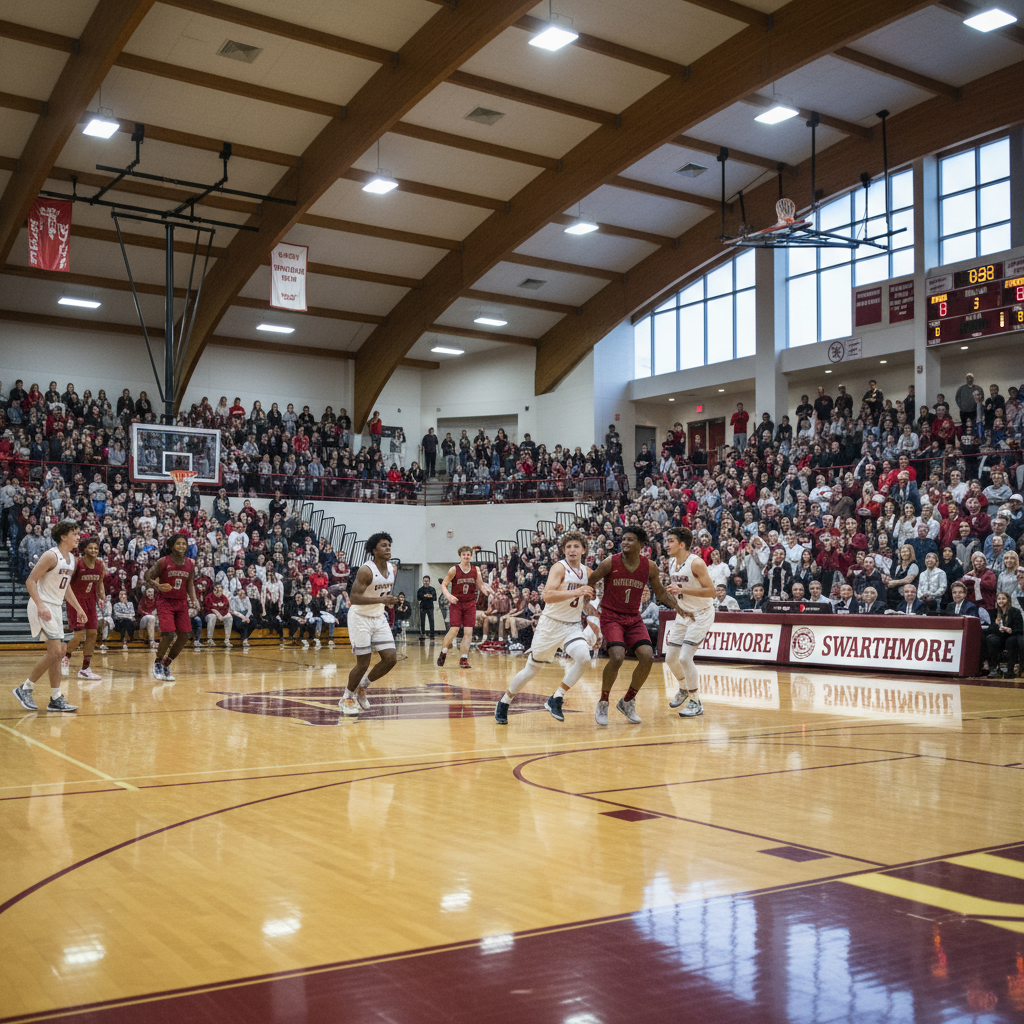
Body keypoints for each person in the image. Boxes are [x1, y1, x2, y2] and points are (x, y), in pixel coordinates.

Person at [586, 526, 684, 726]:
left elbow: (661, 593)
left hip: (633, 617)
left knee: (647, 656)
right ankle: (604, 701)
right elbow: (590, 580)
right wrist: (588, 601)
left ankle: (628, 700)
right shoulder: (610, 562)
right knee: (617, 656)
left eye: (630, 540)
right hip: (611, 616)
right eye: (624, 539)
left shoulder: (650, 566)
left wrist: (679, 608)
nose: (625, 542)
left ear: (641, 544)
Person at [495, 531, 594, 724]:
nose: (572, 550)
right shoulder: (559, 568)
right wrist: (576, 591)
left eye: (576, 546)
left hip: (572, 626)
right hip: (551, 625)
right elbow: (547, 596)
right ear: (563, 550)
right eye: (568, 547)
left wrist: (594, 628)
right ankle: (505, 700)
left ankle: (556, 697)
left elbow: (589, 603)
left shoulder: (588, 573)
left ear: (583, 549)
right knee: (531, 670)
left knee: (584, 658)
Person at [13, 520, 85, 713]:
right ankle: (25, 688)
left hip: (55, 606)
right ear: (63, 536)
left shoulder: (72, 559)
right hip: (42, 604)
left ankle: (55, 697)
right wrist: (40, 605)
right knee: (55, 652)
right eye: (75, 534)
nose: (78, 537)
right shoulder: (50, 556)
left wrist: (78, 608)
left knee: (59, 652)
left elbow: (66, 586)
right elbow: (31, 581)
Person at [339, 532, 399, 717]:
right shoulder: (366, 570)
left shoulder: (393, 568)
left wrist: (388, 601)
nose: (388, 548)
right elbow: (354, 598)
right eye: (383, 545)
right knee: (363, 663)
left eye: (389, 545)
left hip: (378, 617)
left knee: (390, 658)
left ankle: (362, 688)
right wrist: (381, 600)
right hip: (360, 618)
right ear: (374, 550)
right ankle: (347, 697)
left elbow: (381, 594)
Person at [662, 527, 716, 718]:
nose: (666, 545)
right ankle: (684, 688)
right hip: (684, 614)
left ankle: (695, 701)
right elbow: (679, 591)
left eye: (670, 541)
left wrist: (683, 592)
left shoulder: (697, 563)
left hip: (702, 613)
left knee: (685, 658)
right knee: (670, 658)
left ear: (682, 544)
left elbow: (712, 592)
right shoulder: (671, 562)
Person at [146, 534, 199, 680]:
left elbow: (189, 583)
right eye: (178, 544)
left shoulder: (190, 563)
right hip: (165, 601)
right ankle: (157, 663)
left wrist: (194, 600)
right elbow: (147, 576)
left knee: (184, 636)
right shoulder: (163, 561)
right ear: (172, 545)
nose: (182, 546)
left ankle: (166, 664)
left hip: (181, 602)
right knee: (168, 634)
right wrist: (158, 585)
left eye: (184, 544)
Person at [438, 546, 492, 669]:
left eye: (468, 554)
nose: (466, 557)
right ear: (460, 556)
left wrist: (486, 590)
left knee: (468, 632)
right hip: (456, 603)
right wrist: (449, 596)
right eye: (464, 555)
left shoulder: (476, 570)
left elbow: (481, 585)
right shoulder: (454, 570)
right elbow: (444, 585)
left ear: (471, 555)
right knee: (454, 629)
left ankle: (464, 658)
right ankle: (443, 652)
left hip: (470, 604)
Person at [63, 537, 106, 681]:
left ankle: (85, 669)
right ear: (84, 549)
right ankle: (65, 657)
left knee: (93, 634)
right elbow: (66, 583)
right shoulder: (76, 563)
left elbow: (99, 583)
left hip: (90, 601)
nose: (94, 550)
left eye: (96, 548)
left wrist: (102, 596)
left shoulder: (100, 564)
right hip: (76, 601)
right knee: (78, 635)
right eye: (91, 548)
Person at [984, 591, 1022, 678]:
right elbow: (990, 629)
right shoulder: (994, 613)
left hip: (1012, 636)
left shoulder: (1015, 611)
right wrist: (996, 626)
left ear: (1008, 600)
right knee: (991, 639)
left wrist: (1010, 630)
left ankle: (1010, 669)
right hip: (1000, 637)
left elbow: (1020, 629)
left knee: (1011, 641)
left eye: (1003, 599)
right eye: (999, 599)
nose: (1001, 601)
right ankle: (995, 668)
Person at [416, 575, 437, 641]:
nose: (426, 582)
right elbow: (418, 598)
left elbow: (435, 598)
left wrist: (426, 596)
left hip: (430, 607)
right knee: (422, 621)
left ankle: (432, 634)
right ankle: (422, 634)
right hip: (423, 607)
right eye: (424, 581)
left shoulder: (432, 589)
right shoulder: (420, 589)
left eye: (427, 581)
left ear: (429, 581)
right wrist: (427, 596)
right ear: (423, 581)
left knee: (431, 621)